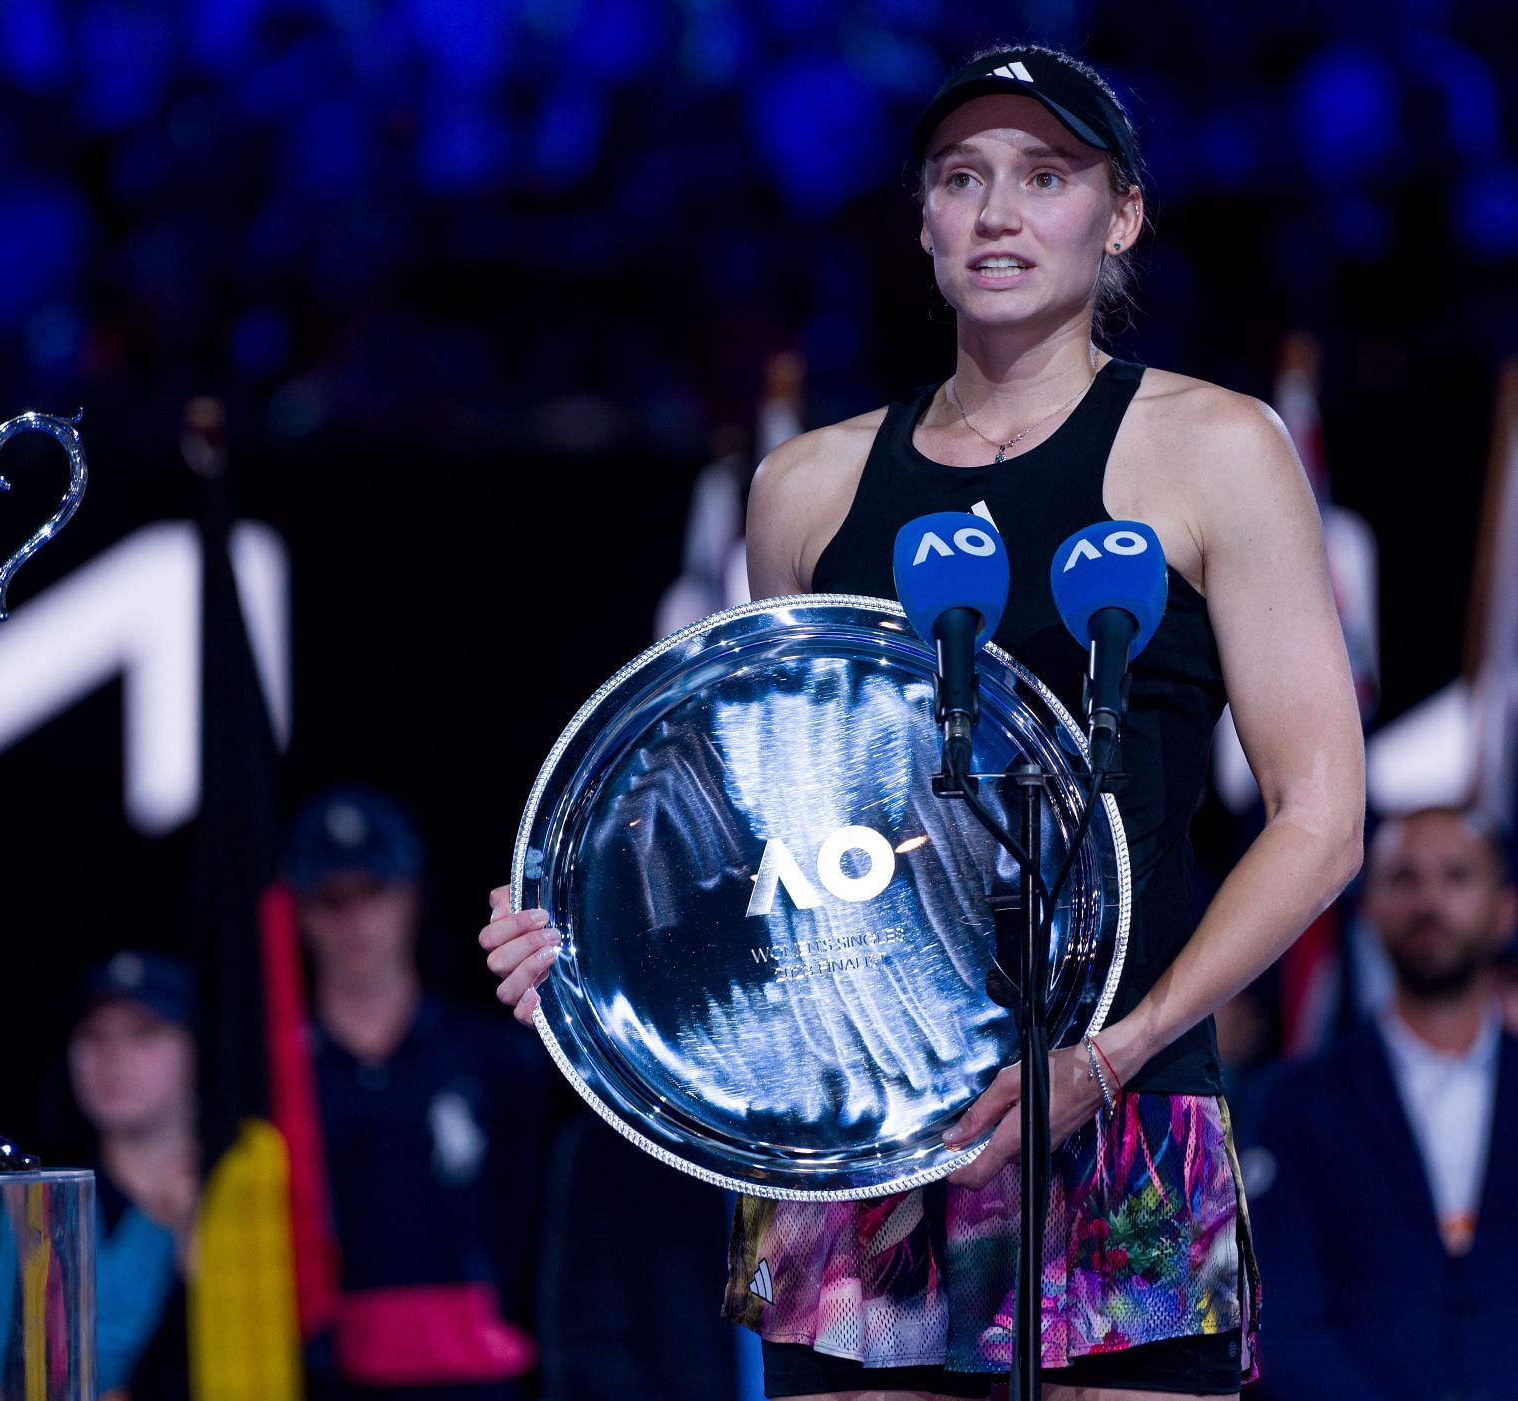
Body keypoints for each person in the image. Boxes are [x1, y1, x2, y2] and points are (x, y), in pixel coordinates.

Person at [480, 43, 1365, 1401]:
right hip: (862, 1137)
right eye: (963, 178)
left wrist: (1108, 1054)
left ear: (1120, 214)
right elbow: (784, 843)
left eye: (1044, 175)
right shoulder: (806, 487)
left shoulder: (1217, 451)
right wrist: (598, 946)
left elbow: (1319, 819)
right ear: (924, 222)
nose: (999, 212)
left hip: (1123, 1098)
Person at [1248, 807, 1518, 1400]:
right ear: (1367, 909)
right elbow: (1282, 1319)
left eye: (1456, 876)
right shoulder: (1295, 1103)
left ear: (1506, 910)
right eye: (1404, 878)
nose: (1429, 900)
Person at [291, 786, 548, 1400]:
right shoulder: (277, 1078)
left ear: (410, 896)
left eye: (372, 892)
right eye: (331, 899)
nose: (353, 921)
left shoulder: (496, 1057)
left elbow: (536, 1224)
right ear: (300, 913)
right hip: (322, 1380)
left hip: (481, 1378)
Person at [68, 951, 200, 1401]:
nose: (114, 1058)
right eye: (94, 1036)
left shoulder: (246, 1187)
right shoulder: (37, 1204)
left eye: (144, 1034)